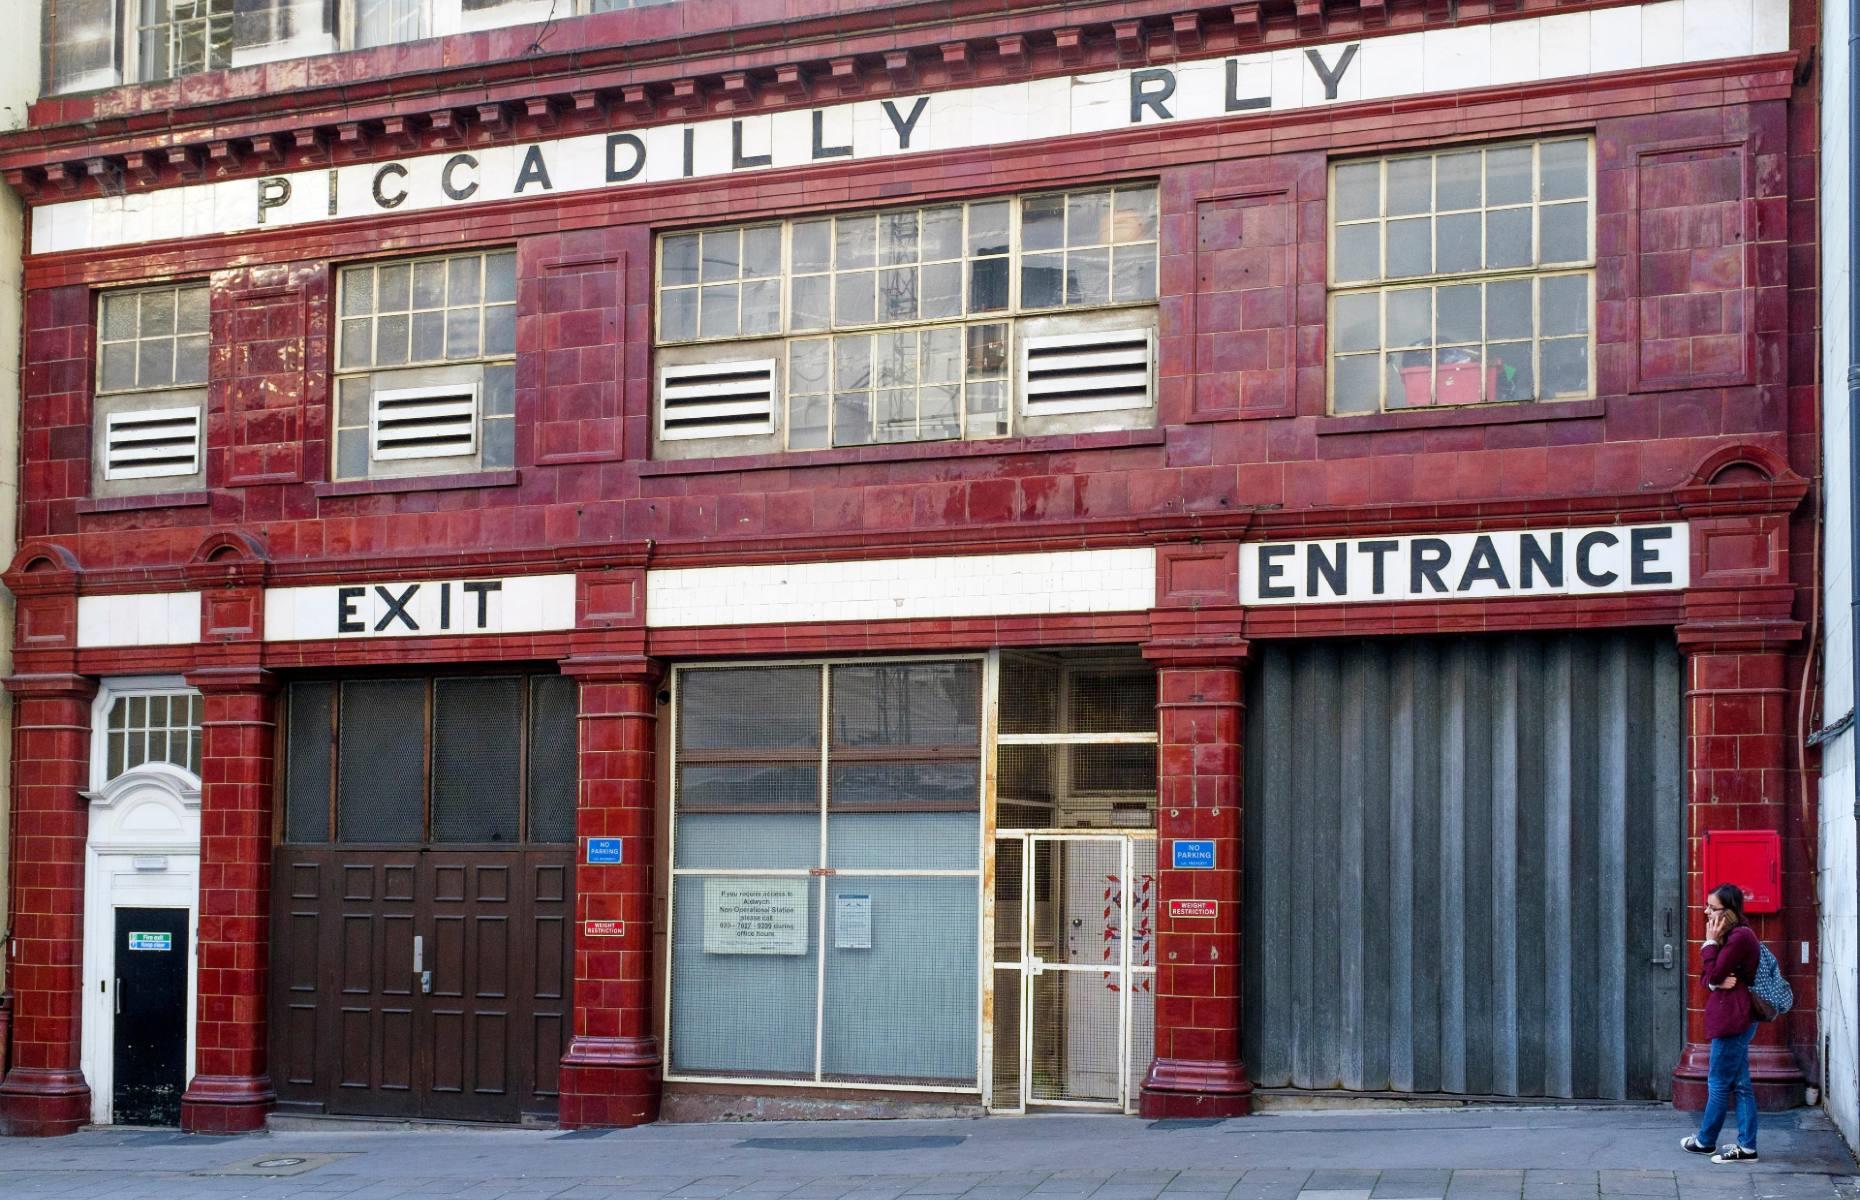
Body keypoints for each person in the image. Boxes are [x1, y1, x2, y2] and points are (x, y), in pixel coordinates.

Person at [1680, 883, 1760, 1163]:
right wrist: (1715, 980)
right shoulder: (1731, 937)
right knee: (1740, 1084)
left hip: (1733, 1019)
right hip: (1732, 1016)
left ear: (1729, 911)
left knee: (1718, 1082)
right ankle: (1745, 1146)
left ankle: (1706, 1141)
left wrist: (1710, 944)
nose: (1706, 912)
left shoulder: (1738, 938)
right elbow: (1707, 978)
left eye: (1712, 908)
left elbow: (1713, 973)